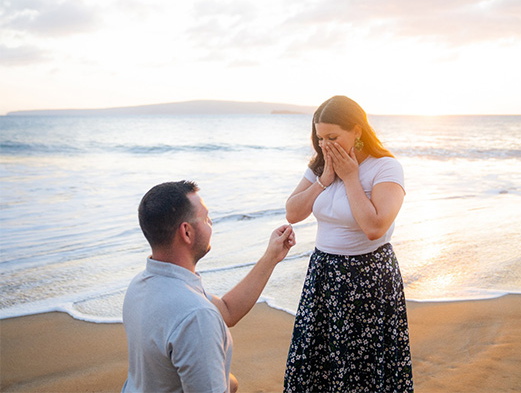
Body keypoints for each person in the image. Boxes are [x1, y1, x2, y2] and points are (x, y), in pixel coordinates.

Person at [283, 96, 413, 392]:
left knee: (361, 366)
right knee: (317, 361)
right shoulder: (320, 166)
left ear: (357, 131)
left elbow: (374, 227)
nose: (325, 145)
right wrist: (324, 180)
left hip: (367, 278)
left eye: (333, 137)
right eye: (319, 138)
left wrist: (351, 178)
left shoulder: (386, 167)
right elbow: (293, 212)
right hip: (324, 274)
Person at [122, 180, 295, 393]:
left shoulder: (140, 284)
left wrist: (272, 256)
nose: (211, 222)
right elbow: (200, 315)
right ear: (186, 232)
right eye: (205, 217)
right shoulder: (196, 315)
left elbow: (228, 311)